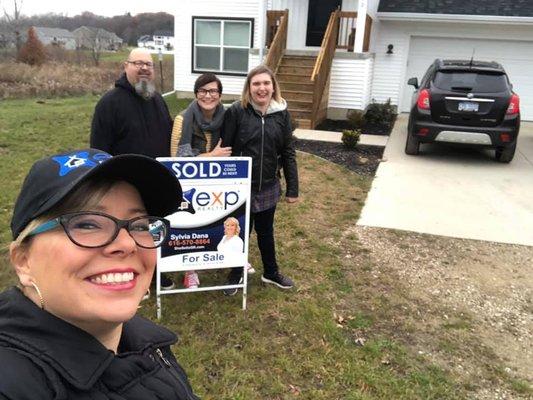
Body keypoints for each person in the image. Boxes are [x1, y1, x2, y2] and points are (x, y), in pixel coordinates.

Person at [0, 148, 199, 399]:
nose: (127, 244)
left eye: (139, 225)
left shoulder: (144, 340)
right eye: (87, 224)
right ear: (23, 261)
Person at [90, 47, 175, 289]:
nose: (144, 68)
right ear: (126, 66)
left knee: (152, 230)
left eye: (148, 64)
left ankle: (155, 272)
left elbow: (170, 135)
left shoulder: (157, 100)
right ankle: (131, 275)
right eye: (138, 63)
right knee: (129, 233)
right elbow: (98, 150)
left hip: (155, 179)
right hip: (124, 182)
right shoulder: (109, 104)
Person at [221, 65, 299, 294]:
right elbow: (226, 147)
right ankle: (235, 274)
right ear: (249, 88)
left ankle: (271, 272)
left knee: (266, 231)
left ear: (273, 86)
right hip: (240, 186)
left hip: (268, 185)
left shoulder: (282, 113)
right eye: (256, 84)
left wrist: (293, 187)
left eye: (266, 83)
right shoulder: (237, 111)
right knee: (239, 232)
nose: (262, 88)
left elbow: (288, 151)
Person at [170, 73, 232, 289]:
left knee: (223, 218)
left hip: (220, 180)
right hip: (191, 183)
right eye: (203, 91)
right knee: (192, 225)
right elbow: (177, 158)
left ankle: (230, 256)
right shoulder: (183, 119)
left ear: (220, 94)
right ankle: (191, 270)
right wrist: (210, 157)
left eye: (213, 91)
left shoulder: (228, 117)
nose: (208, 95)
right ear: (196, 94)